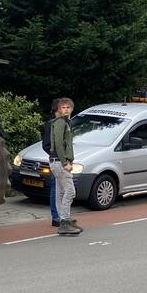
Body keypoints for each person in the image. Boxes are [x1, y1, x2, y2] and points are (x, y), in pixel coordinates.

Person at [49, 98, 82, 235]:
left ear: (72, 109)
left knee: (60, 192)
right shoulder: (60, 122)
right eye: (63, 107)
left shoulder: (66, 122)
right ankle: (65, 221)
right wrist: (65, 162)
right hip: (59, 161)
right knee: (70, 191)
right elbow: (58, 143)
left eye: (68, 107)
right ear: (59, 109)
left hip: (57, 161)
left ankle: (64, 220)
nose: (66, 109)